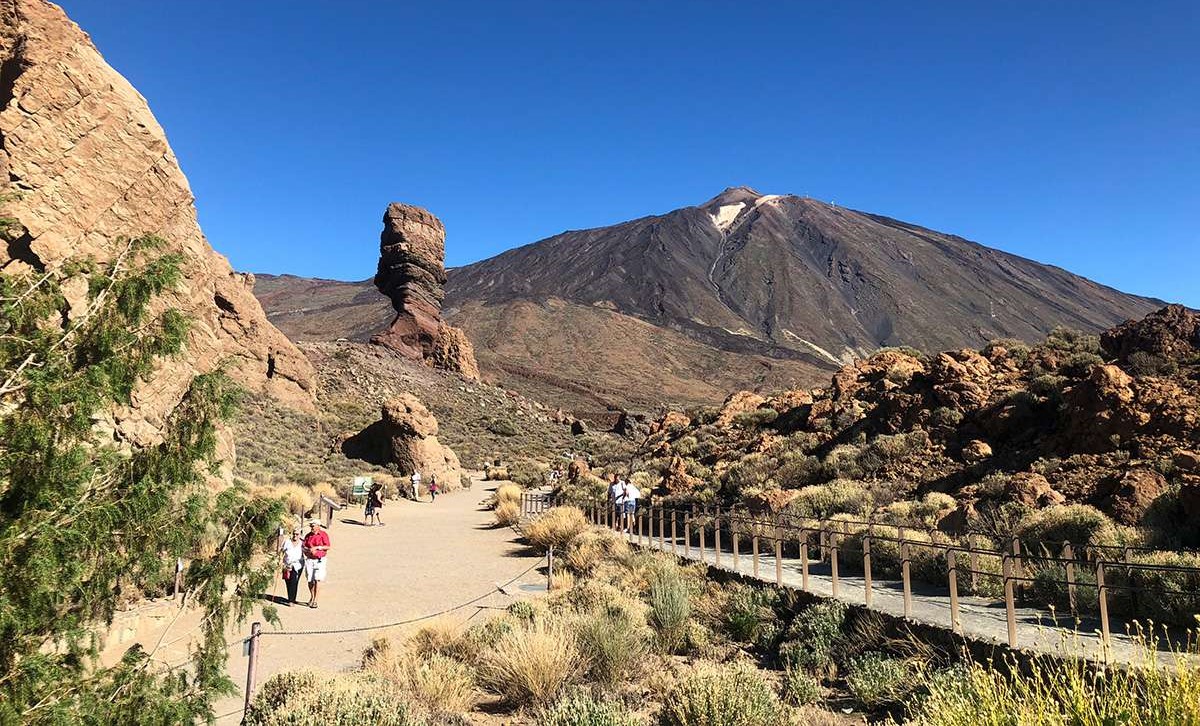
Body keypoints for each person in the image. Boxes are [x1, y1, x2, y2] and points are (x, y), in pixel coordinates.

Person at [302, 519, 331, 609]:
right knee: (310, 579)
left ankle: (315, 600)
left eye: (313, 525)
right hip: (310, 559)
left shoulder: (323, 535)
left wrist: (317, 548)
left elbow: (328, 546)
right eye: (311, 526)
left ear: (318, 526)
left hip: (320, 559)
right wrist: (308, 550)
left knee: (318, 579)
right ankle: (312, 596)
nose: (311, 527)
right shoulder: (308, 536)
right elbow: (303, 546)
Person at [280, 528, 303, 606]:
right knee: (288, 581)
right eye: (294, 534)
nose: (295, 536)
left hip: (297, 565)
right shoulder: (287, 542)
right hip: (287, 564)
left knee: (294, 581)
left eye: (297, 534)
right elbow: (281, 551)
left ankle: (291, 600)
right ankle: (290, 597)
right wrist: (281, 562)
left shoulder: (302, 543)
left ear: (300, 535)